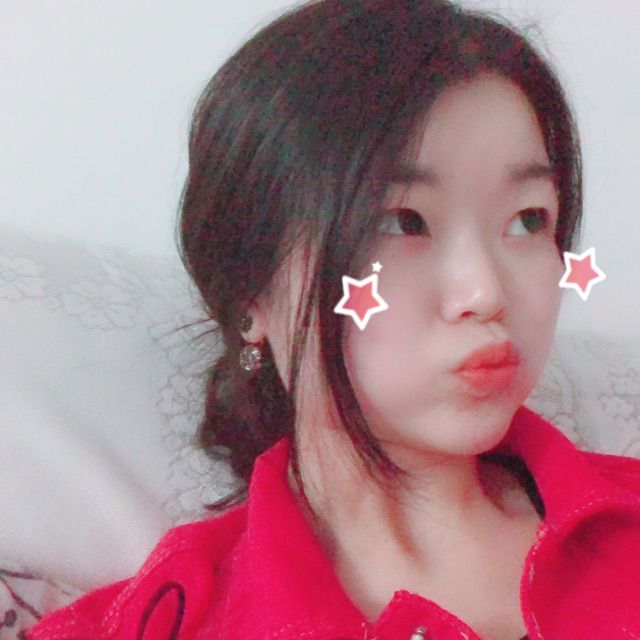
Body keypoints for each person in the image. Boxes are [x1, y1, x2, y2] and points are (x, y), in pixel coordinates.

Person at [27, 1, 640, 639]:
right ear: (250, 293)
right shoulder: (158, 624)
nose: (485, 293)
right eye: (404, 221)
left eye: (528, 219)